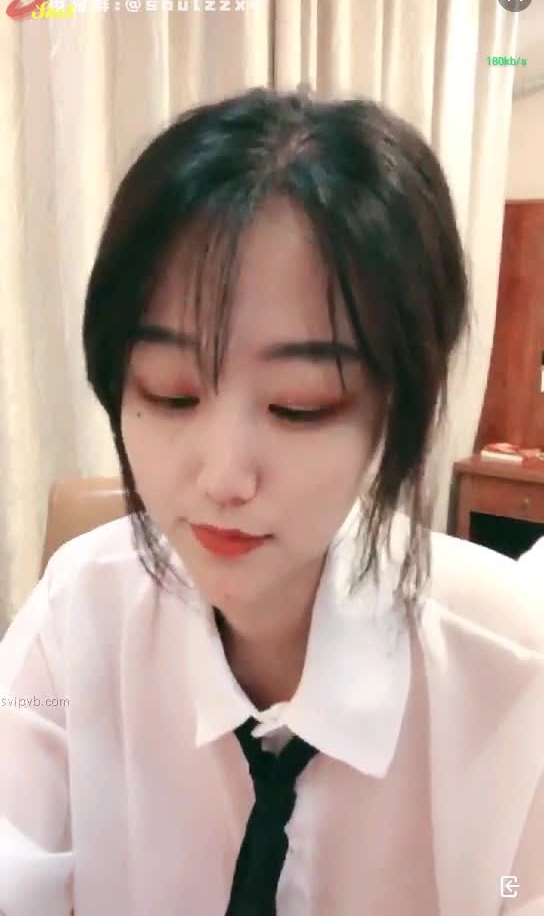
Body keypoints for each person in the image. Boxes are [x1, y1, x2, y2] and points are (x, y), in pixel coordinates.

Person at [1, 87, 543, 916]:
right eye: (170, 392)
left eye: (299, 404)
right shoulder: (80, 614)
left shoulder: (515, 672)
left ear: (396, 403)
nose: (223, 478)